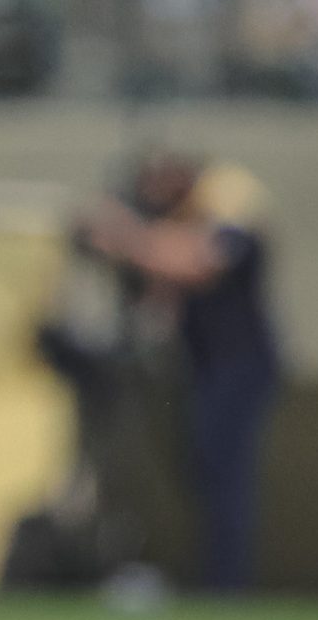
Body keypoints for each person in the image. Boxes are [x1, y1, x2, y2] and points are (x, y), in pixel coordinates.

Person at [78, 154, 281, 591]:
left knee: (226, 475)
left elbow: (196, 262)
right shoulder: (185, 223)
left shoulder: (230, 215)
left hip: (237, 367)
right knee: (204, 472)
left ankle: (227, 584)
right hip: (206, 368)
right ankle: (217, 577)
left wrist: (127, 236)